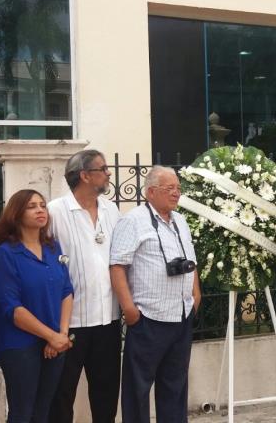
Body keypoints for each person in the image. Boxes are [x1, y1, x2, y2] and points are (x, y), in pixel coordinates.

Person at [110, 166, 201, 423]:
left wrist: (196, 295)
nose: (176, 193)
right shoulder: (134, 220)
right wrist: (129, 308)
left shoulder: (180, 221)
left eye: (178, 188)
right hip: (149, 317)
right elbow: (117, 265)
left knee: (175, 385)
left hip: (181, 315)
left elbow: (191, 261)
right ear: (150, 192)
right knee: (137, 388)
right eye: (169, 188)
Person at [48, 150, 122, 423]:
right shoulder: (56, 211)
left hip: (108, 319)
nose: (108, 173)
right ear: (85, 175)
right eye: (103, 169)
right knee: (62, 393)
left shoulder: (111, 209)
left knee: (106, 392)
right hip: (71, 321)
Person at [0, 189, 74, 423]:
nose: (40, 210)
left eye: (42, 205)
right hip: (20, 346)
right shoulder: (6, 254)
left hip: (55, 342)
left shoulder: (53, 248)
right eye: (31, 206)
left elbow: (67, 291)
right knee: (22, 412)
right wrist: (51, 336)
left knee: (43, 411)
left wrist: (61, 334)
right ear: (16, 214)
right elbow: (12, 308)